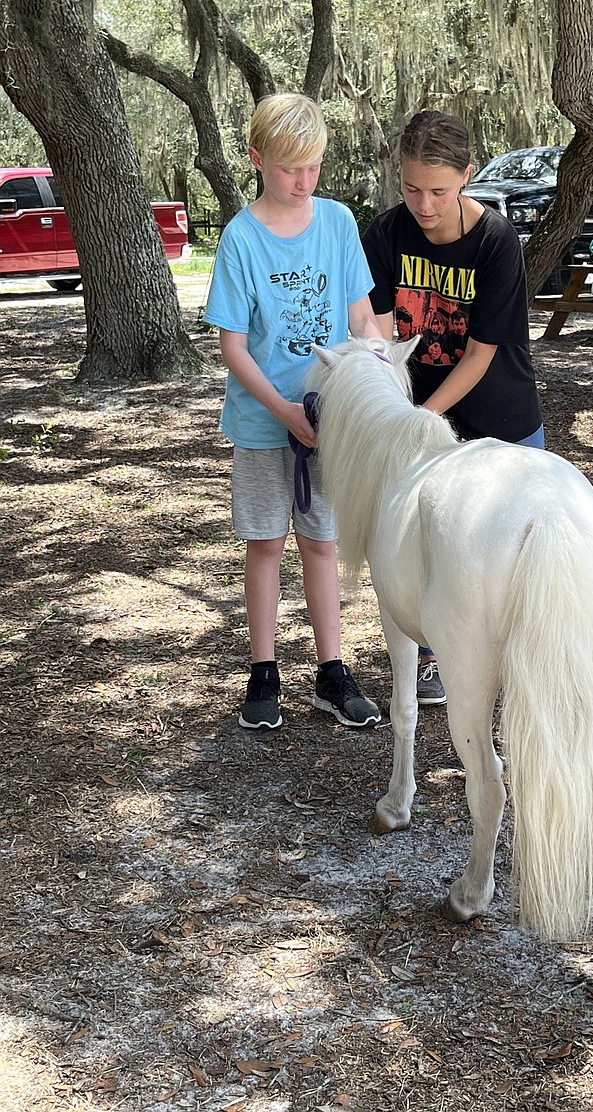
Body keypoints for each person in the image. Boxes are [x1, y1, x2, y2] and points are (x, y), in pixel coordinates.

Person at [204, 92, 383, 732]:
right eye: (290, 169)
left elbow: (361, 317)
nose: (304, 181)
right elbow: (231, 343)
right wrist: (281, 409)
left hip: (327, 420)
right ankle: (264, 669)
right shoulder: (240, 238)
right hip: (262, 421)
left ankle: (332, 670)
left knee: (323, 542)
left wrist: (377, 373)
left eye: (313, 167)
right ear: (257, 160)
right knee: (265, 543)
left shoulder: (337, 224)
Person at [362, 110, 544, 707]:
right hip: (421, 417)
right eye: (412, 188)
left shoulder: (497, 243)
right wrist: (402, 411)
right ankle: (437, 657)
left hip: (500, 418)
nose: (424, 203)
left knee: (519, 567)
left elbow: (481, 354)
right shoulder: (385, 235)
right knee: (431, 555)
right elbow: (385, 342)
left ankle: (523, 669)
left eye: (439, 190)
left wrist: (422, 416)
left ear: (466, 177)